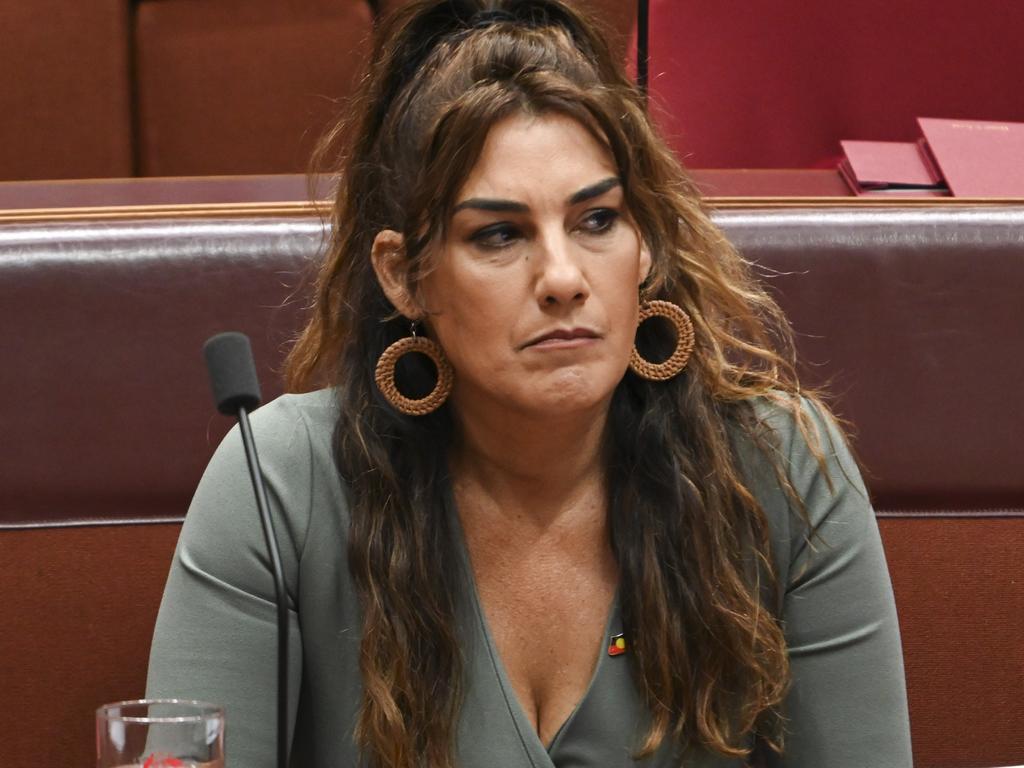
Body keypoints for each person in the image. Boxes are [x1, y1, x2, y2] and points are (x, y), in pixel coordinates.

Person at [146, 1, 913, 766]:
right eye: (499, 234)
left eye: (597, 220)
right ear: (404, 275)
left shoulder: (779, 469)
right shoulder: (279, 482)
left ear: (645, 244)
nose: (562, 278)